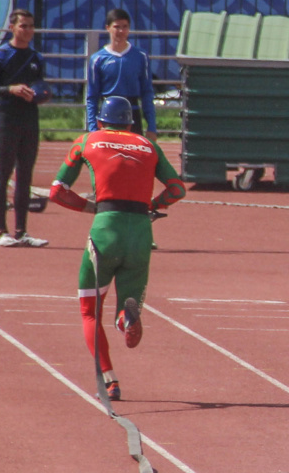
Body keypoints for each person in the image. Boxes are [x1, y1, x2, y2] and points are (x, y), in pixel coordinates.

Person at [48, 96, 186, 402]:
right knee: (125, 304)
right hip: (140, 232)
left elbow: (57, 191)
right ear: (130, 123)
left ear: (100, 121)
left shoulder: (87, 141)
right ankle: (127, 319)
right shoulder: (147, 145)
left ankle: (110, 381)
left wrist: (90, 208)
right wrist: (152, 206)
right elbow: (176, 189)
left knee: (89, 311)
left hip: (105, 228)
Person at [0, 9, 51, 248]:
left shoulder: (36, 57)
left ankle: (22, 231)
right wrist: (10, 89)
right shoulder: (0, 55)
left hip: (30, 119)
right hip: (7, 120)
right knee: (4, 174)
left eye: (31, 26)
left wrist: (41, 95)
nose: (28, 30)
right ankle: (2, 231)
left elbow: (43, 86)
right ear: (12, 27)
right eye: (24, 26)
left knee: (25, 176)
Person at [85, 7, 157, 136]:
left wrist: (151, 127)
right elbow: (92, 96)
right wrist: (92, 128)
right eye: (117, 27)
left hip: (132, 116)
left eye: (125, 27)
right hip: (107, 117)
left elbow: (147, 93)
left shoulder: (140, 56)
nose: (121, 31)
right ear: (108, 28)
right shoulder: (98, 59)